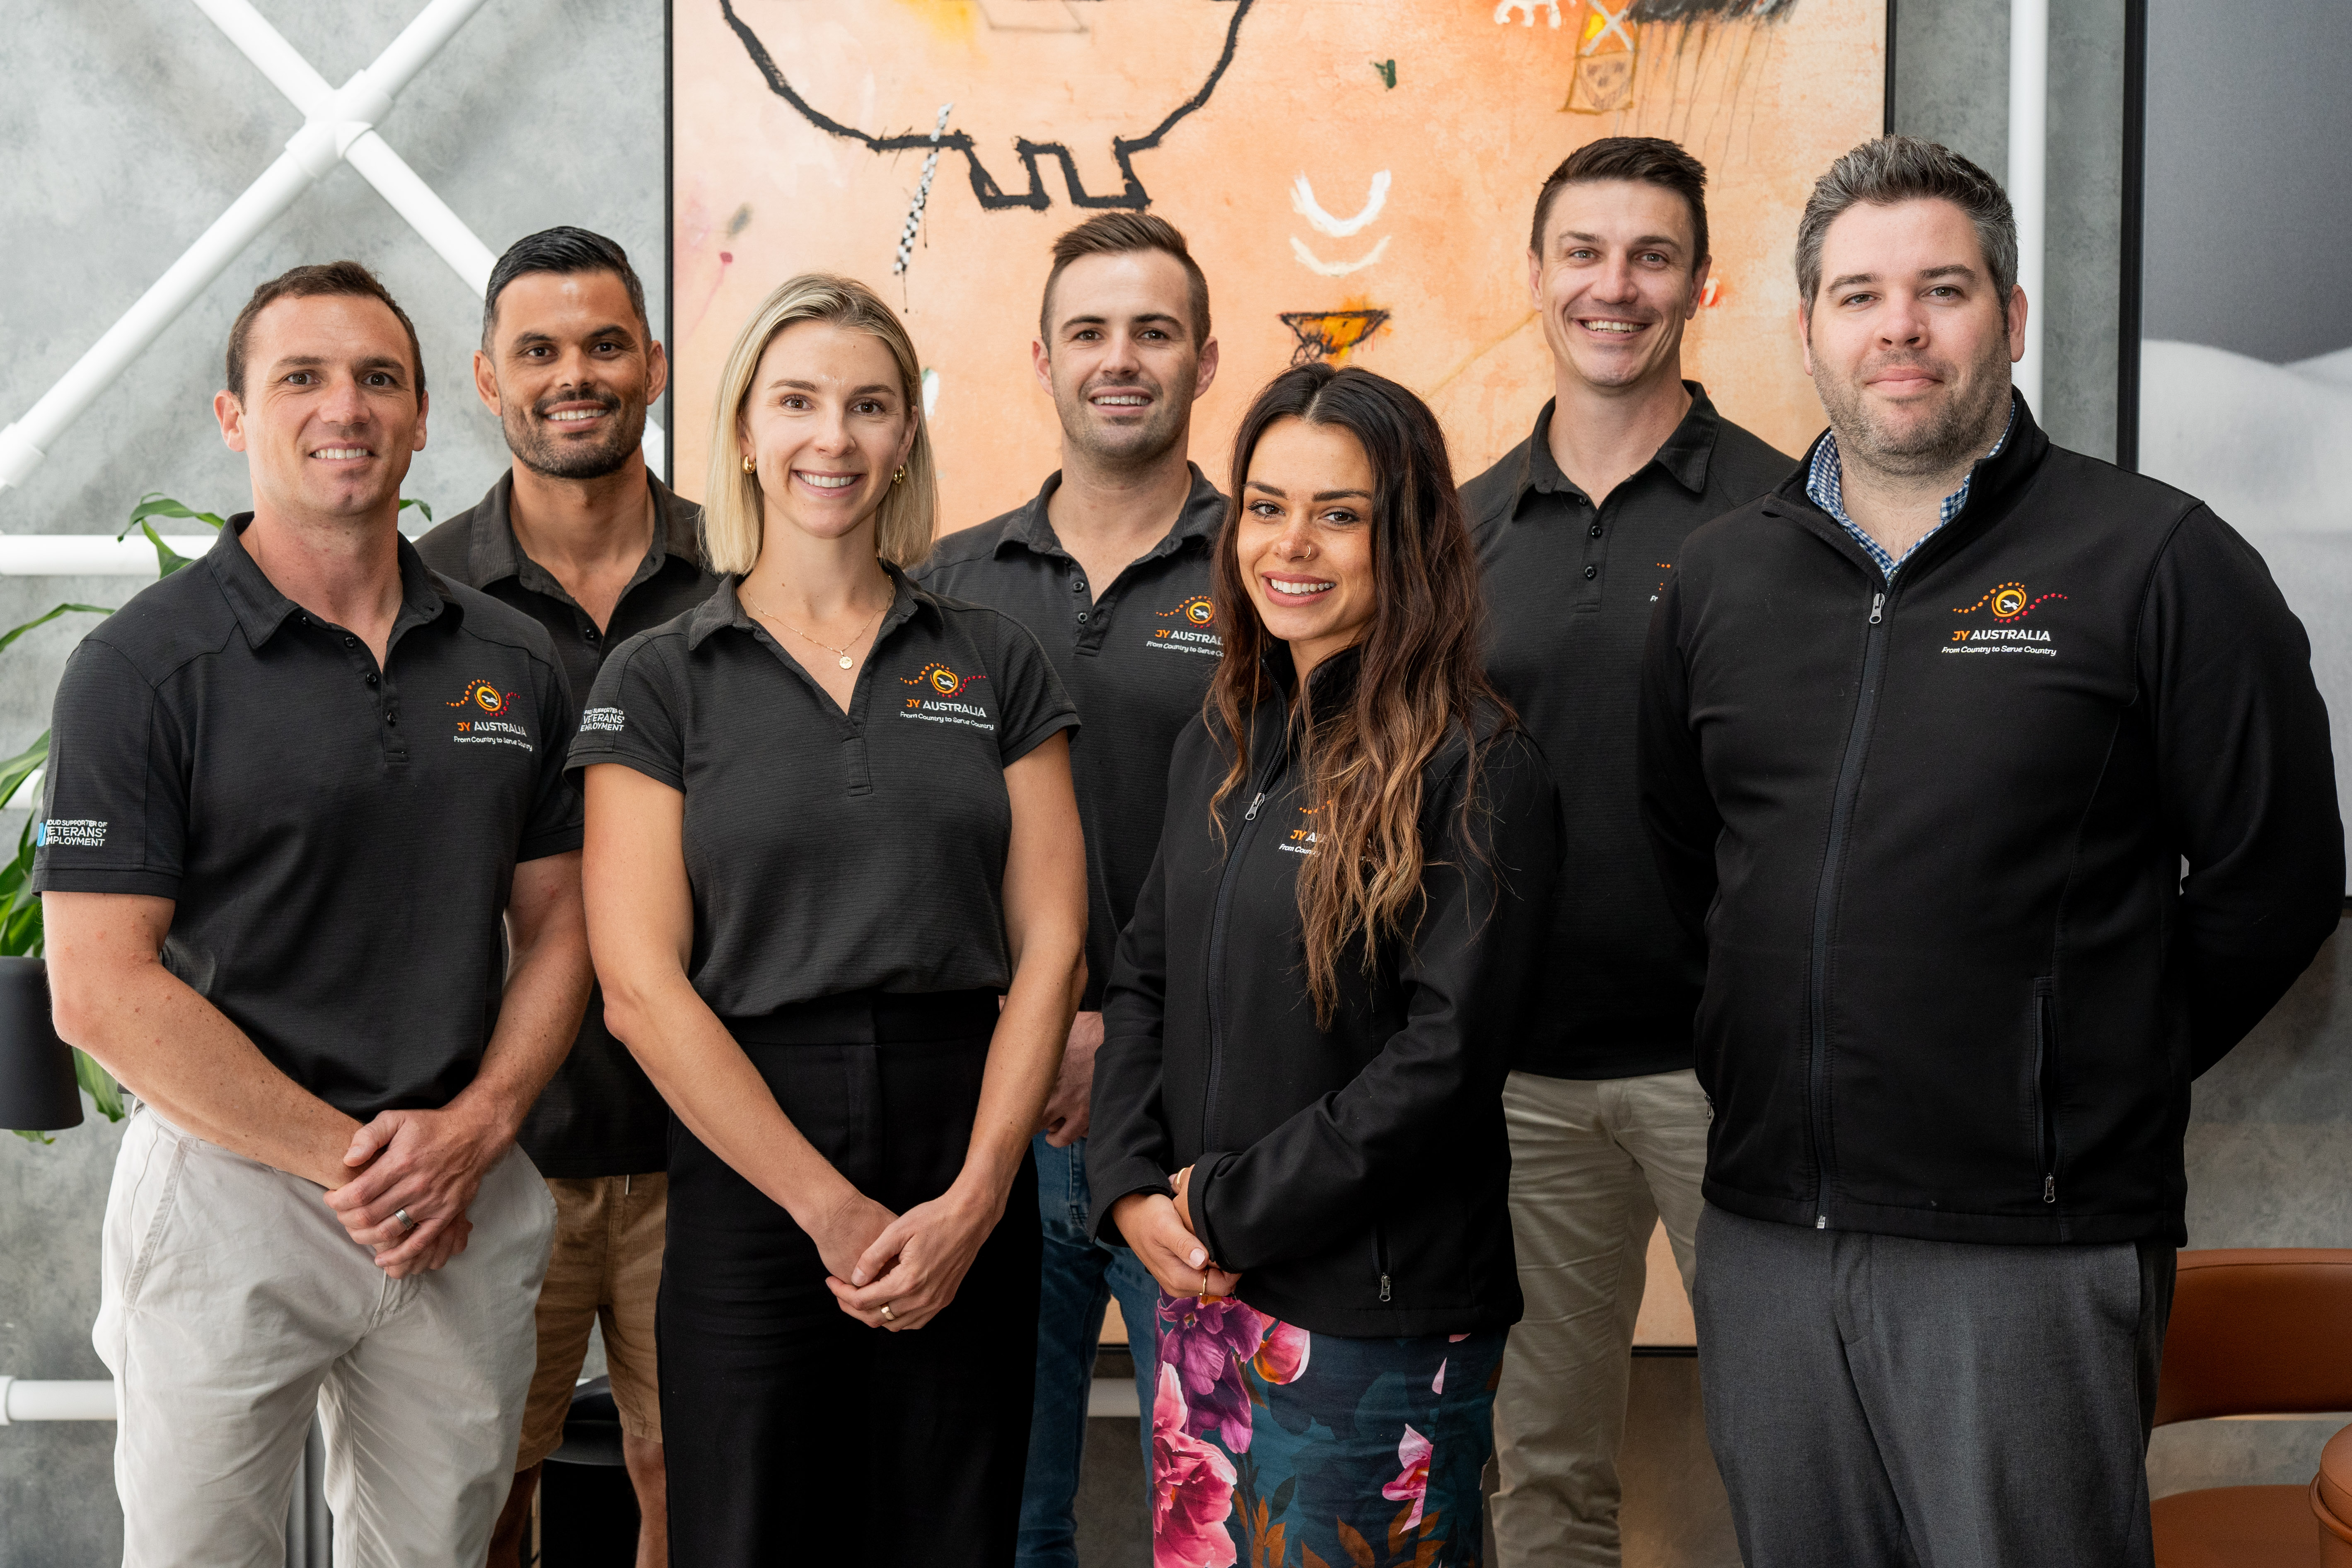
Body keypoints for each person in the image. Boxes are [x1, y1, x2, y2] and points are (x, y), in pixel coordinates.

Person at [1637, 135, 2343, 1567]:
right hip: (1771, 1235)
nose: (1898, 325)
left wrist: (2085, 1061)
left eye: (1941, 289)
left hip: (2032, 1249)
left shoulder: (2161, 560)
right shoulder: (1718, 580)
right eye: (1859, 294)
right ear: (1810, 329)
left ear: (2011, 320)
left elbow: (2275, 881)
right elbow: (1684, 867)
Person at [36, 261, 589, 1565]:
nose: (345, 406)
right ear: (234, 418)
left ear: (420, 417)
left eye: (378, 378)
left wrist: (478, 1125)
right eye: (302, 377)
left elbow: (565, 925)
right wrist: (358, 1164)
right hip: (235, 1184)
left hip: (457, 1178)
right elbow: (98, 987)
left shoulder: (512, 660)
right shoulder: (140, 669)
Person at [572, 273, 1088, 1566]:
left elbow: (1052, 947)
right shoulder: (660, 676)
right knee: (747, 1533)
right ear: (745, 425)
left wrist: (976, 1198)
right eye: (798, 401)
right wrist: (827, 1208)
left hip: (963, 1126)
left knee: (952, 1535)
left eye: (868, 405)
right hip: (754, 1155)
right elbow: (637, 983)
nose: (833, 438)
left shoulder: (994, 656)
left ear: (905, 433)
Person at [1090, 363, 1562, 1568]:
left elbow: (1444, 1060)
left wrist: (1225, 1206)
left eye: (1338, 513)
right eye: (1263, 504)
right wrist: (1134, 1184)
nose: (1289, 543)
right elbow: (1142, 975)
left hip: (1373, 1318)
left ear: (1403, 538)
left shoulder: (1477, 762)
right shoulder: (1230, 736)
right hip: (1199, 1294)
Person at [1459, 135, 1791, 1568]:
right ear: (1535, 276)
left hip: (1739, 1076)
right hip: (1522, 1078)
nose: (1615, 286)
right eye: (1583, 253)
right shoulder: (1456, 529)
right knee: (1540, 1470)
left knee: (1794, 1440)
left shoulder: (1792, 515)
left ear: (1701, 284)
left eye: (1652, 255)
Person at [912, 210, 1223, 1565]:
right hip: (996, 1117)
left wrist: (1124, 1032)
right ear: (1039, 358)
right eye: (1089, 332)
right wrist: (1035, 1033)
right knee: (1001, 1513)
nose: (1120, 358)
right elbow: (911, 850)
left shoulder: (1273, 567)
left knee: (1205, 1511)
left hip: (1203, 1127)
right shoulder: (944, 588)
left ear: (1206, 361)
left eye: (1153, 331)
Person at [415, 225, 711, 1568]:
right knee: (480, 1488)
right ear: (487, 376)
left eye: (604, 345)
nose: (572, 374)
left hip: (706, 1137)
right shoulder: (418, 600)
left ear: (654, 363)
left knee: (693, 1477)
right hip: (491, 1141)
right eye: (538, 349)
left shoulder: (750, 575)